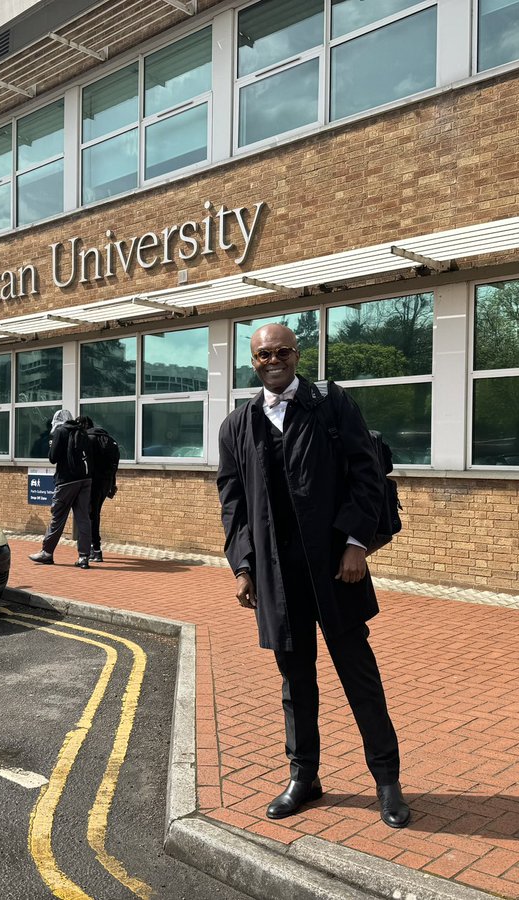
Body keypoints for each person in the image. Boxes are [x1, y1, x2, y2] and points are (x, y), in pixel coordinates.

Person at [216, 323, 410, 828]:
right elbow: (232, 504)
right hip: (278, 578)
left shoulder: (331, 404)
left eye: (281, 352)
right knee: (295, 681)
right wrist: (243, 566)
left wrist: (355, 544)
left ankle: (387, 780)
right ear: (252, 362)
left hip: (336, 570)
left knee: (359, 676)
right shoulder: (239, 424)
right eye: (263, 355)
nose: (272, 360)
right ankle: (304, 777)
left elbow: (367, 474)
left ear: (296, 355)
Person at [29, 409, 93, 568]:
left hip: (66, 481)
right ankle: (84, 557)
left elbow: (53, 458)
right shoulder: (82, 431)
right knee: (83, 518)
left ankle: (47, 553)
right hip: (85, 480)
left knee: (57, 517)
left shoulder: (60, 432)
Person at [74, 415, 119, 562]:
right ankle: (95, 548)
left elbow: (85, 463)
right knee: (95, 514)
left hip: (92, 483)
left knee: (90, 516)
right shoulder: (109, 440)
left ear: (85, 425)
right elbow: (114, 466)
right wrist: (112, 484)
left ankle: (96, 550)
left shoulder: (89, 439)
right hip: (106, 483)